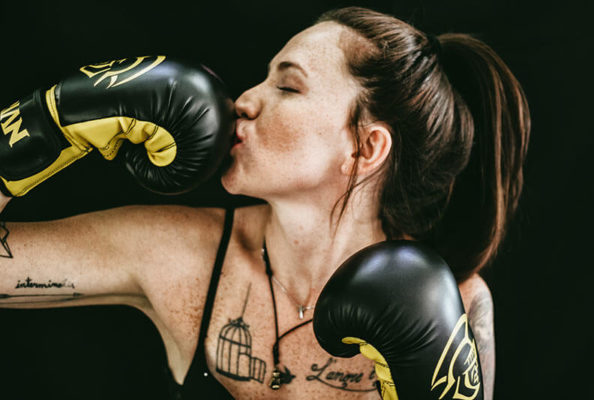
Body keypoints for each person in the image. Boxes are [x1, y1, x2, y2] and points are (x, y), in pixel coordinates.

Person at [0, 6, 529, 400]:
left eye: (288, 87)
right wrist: (42, 125)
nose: (245, 100)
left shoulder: (455, 305)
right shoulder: (180, 254)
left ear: (365, 147)